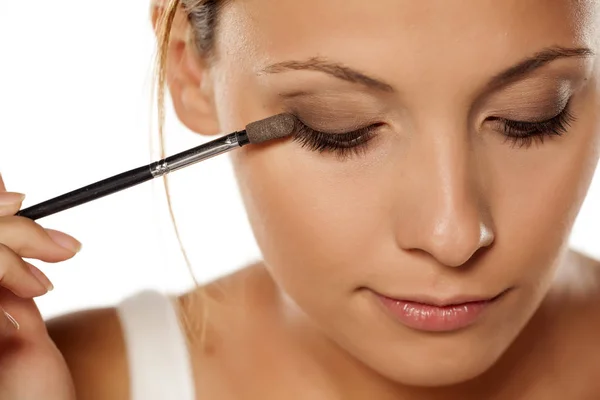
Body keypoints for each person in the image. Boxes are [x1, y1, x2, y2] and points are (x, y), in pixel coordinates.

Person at [1, 0, 600, 398]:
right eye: (338, 127)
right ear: (190, 68)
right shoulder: (68, 380)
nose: (452, 234)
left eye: (533, 116)